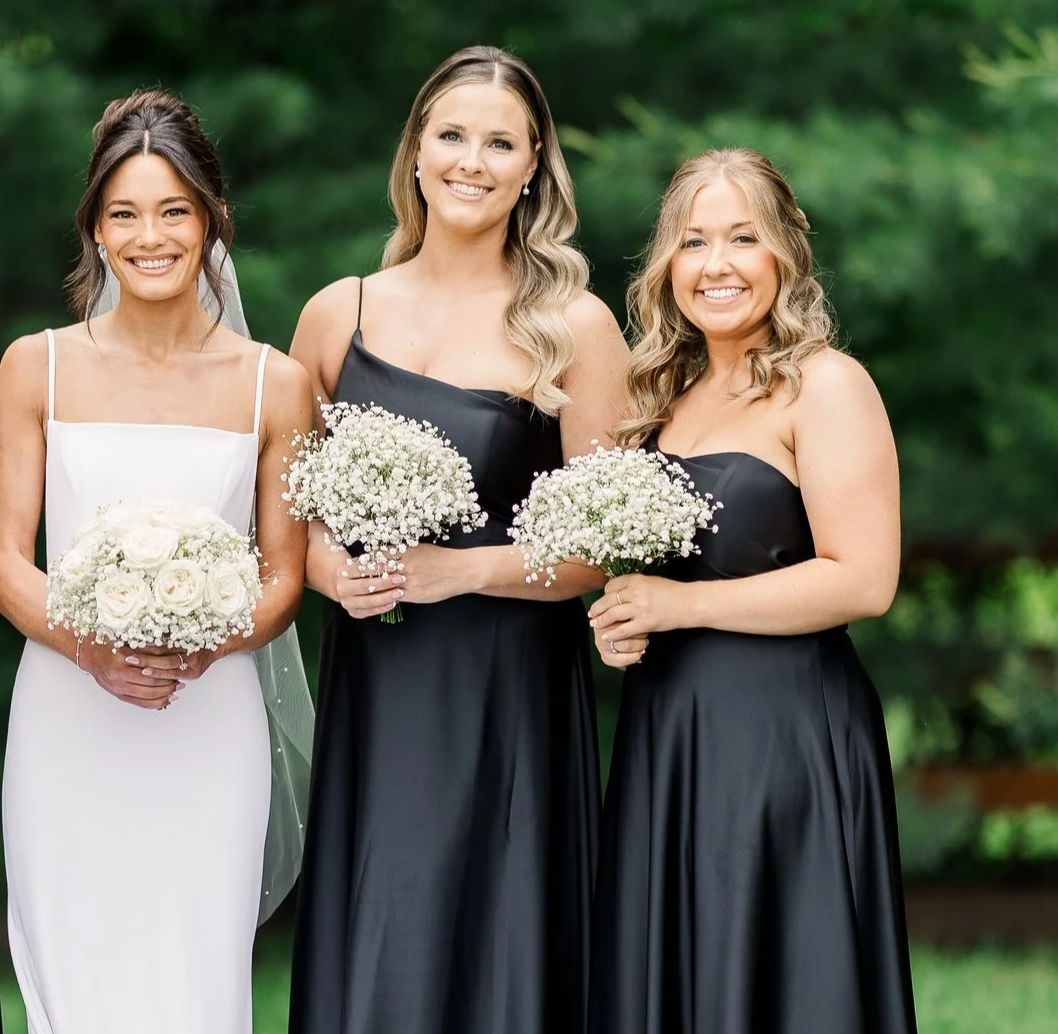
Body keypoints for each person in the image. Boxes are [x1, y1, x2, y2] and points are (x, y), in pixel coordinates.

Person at [285, 45, 629, 1034]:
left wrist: (462, 569)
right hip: (379, 683)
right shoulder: (335, 312)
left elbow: (600, 550)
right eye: (451, 136)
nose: (470, 160)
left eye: (498, 142)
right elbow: (289, 514)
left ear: (533, 167)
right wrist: (330, 573)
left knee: (497, 945)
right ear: (417, 152)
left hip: (507, 690)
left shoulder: (573, 325)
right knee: (379, 929)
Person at [0, 88, 315, 1034]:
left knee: (196, 972)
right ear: (93, 225)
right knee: (72, 966)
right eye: (123, 213)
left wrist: (203, 646)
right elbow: (6, 555)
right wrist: (90, 648)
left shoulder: (273, 384)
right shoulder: (35, 365)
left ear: (214, 218)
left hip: (208, 717)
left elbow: (284, 579)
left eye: (174, 211)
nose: (150, 236)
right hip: (66, 713)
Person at [588, 147, 915, 1034]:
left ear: (784, 255)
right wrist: (620, 620)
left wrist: (680, 605)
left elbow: (865, 578)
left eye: (743, 238)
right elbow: (648, 580)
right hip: (671, 734)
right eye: (694, 242)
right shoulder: (658, 396)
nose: (717, 264)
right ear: (667, 264)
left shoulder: (827, 387)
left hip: (786, 739)